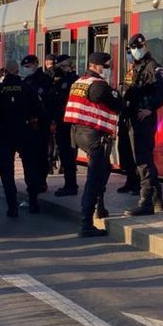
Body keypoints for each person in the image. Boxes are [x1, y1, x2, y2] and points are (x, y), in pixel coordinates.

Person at [64, 52, 123, 237]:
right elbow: (117, 104)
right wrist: (119, 95)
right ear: (96, 66)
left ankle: (100, 207)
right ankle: (86, 223)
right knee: (95, 176)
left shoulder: (79, 82)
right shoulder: (98, 86)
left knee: (104, 169)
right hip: (94, 135)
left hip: (78, 133)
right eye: (106, 66)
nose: (107, 69)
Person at [0, 59, 43, 218]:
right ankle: (33, 202)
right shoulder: (27, 88)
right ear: (17, 71)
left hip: (4, 134)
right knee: (30, 167)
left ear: (5, 72)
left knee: (7, 171)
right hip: (25, 132)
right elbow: (40, 110)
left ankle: (12, 207)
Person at [121, 34, 163, 216]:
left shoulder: (153, 67)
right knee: (142, 158)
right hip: (133, 116)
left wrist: (150, 108)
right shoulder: (136, 67)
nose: (134, 50)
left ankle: (146, 201)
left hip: (143, 118)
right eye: (132, 47)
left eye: (137, 46)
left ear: (144, 46)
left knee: (143, 159)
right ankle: (157, 199)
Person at [21, 55, 53, 208]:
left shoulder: (45, 81)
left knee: (41, 155)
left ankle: (40, 182)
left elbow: (50, 102)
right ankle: (35, 186)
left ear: (35, 64)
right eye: (25, 66)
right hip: (29, 126)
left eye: (28, 66)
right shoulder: (25, 82)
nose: (26, 69)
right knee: (32, 158)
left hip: (42, 124)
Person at [51, 54, 80, 196]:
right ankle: (69, 183)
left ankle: (71, 185)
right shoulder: (57, 80)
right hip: (61, 123)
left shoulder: (73, 80)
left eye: (62, 66)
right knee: (64, 154)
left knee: (68, 154)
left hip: (69, 124)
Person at [116, 54, 141, 195]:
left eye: (132, 61)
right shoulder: (128, 74)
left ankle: (137, 184)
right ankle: (130, 181)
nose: (130, 64)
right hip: (124, 118)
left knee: (134, 152)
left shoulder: (140, 74)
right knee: (124, 151)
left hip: (134, 119)